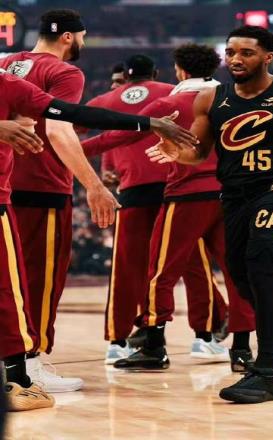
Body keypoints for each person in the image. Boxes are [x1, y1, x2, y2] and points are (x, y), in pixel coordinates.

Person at [150, 25, 273, 403]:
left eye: (247, 53)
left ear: (268, 57)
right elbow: (198, 153)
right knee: (244, 280)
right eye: (231, 52)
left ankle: (266, 373)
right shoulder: (210, 98)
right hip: (235, 196)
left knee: (263, 271)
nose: (236, 59)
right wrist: (176, 153)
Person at [0, 69, 195, 411]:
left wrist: (148, 124)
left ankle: (22, 375)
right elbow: (73, 117)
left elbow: (74, 113)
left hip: (16, 196)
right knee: (8, 290)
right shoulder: (47, 75)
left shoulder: (10, 81)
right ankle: (18, 379)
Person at [83, 44, 256, 372]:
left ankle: (152, 344)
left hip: (183, 196)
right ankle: (241, 349)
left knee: (160, 271)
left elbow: (117, 136)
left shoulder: (169, 103)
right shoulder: (233, 99)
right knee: (237, 272)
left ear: (180, 70)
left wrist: (69, 151)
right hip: (232, 196)